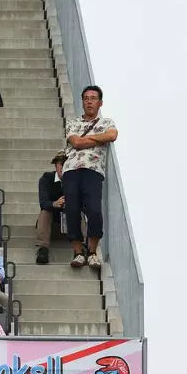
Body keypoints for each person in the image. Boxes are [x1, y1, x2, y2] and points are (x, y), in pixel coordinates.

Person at [64, 85, 117, 270]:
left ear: (100, 102)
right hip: (71, 170)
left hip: (93, 170)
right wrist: (98, 138)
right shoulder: (73, 123)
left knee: (94, 210)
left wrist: (89, 138)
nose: (89, 101)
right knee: (72, 210)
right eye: (86, 98)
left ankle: (93, 252)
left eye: (93, 98)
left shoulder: (107, 122)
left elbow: (112, 135)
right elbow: (76, 142)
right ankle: (78, 252)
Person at [36, 152, 66, 265]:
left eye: (66, 164)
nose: (63, 167)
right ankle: (43, 249)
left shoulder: (75, 180)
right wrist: (55, 203)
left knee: (80, 211)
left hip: (70, 217)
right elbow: (43, 203)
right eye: (61, 164)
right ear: (56, 165)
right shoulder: (46, 178)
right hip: (52, 218)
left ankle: (81, 248)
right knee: (45, 212)